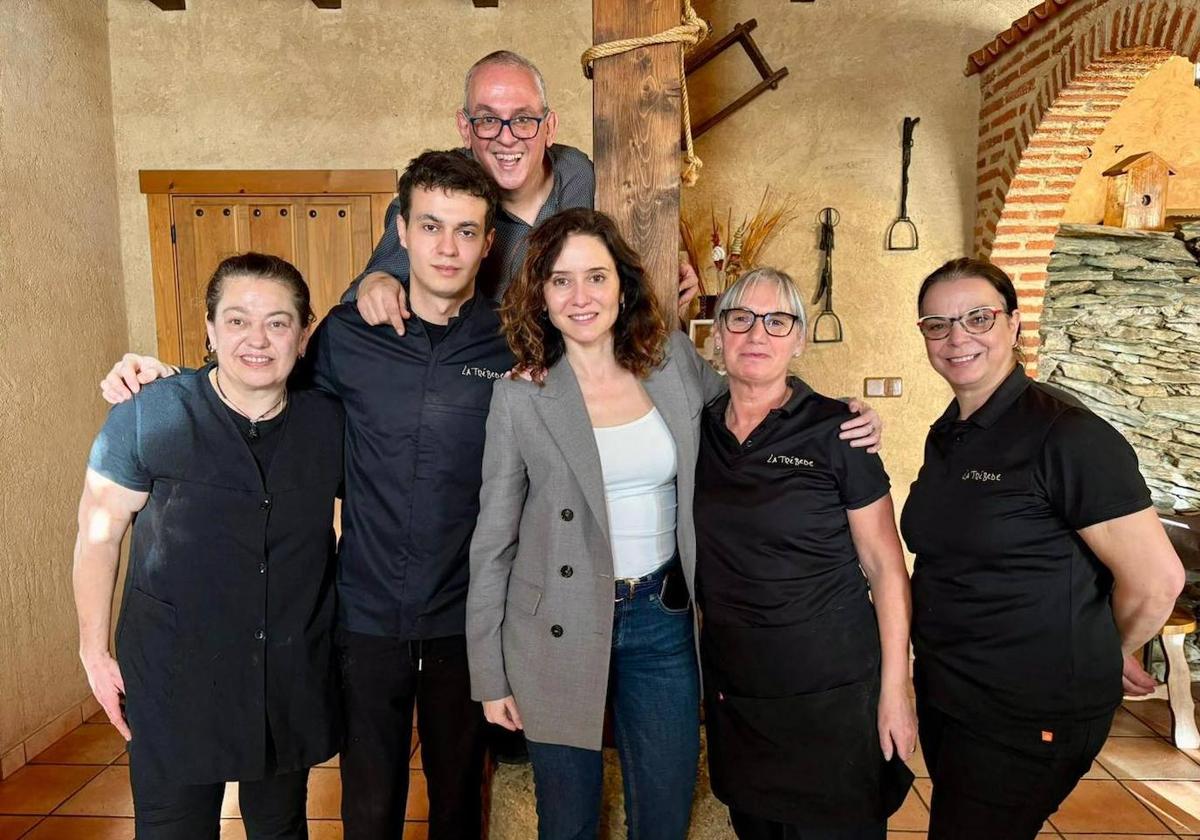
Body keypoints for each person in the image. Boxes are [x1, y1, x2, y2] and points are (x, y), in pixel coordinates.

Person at [97, 151, 511, 840]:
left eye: (466, 231)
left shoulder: (510, 341)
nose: (448, 246)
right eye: (431, 225)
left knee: (460, 803)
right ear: (400, 231)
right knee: (369, 806)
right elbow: (259, 387)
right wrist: (169, 382)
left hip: (465, 615)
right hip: (364, 614)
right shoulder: (346, 335)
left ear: (487, 243)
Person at [466, 210, 885, 840]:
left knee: (662, 814)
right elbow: (492, 542)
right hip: (555, 623)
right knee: (567, 822)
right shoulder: (521, 393)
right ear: (541, 296)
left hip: (661, 618)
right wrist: (489, 673)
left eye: (596, 277)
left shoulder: (670, 366)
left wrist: (840, 415)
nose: (581, 297)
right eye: (561, 281)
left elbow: (756, 389)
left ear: (622, 286)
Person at [900, 257, 1186, 840]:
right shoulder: (950, 430)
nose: (957, 338)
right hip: (955, 695)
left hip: (1028, 711)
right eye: (937, 324)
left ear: (1012, 324)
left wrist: (1106, 652)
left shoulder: (1068, 434)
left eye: (977, 317)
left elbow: (1157, 581)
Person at [73, 253, 343, 839]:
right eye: (238, 319)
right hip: (176, 679)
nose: (258, 339)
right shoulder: (150, 412)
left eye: (278, 321)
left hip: (285, 677)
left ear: (303, 335)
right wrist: (94, 652)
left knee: (280, 828)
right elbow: (98, 534)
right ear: (210, 329)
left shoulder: (329, 422)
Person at [693, 268, 916, 840]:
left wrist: (896, 690)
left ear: (799, 338)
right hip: (738, 691)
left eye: (777, 320)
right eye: (740, 319)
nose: (756, 334)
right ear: (717, 334)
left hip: (832, 693)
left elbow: (886, 567)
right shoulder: (698, 427)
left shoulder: (839, 431)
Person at [347, 49, 700, 337]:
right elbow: (373, 282)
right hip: (472, 379)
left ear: (549, 128)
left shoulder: (583, 176)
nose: (506, 137)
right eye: (487, 119)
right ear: (464, 128)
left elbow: (623, 253)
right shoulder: (442, 194)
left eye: (523, 119)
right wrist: (377, 281)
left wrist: (663, 263)